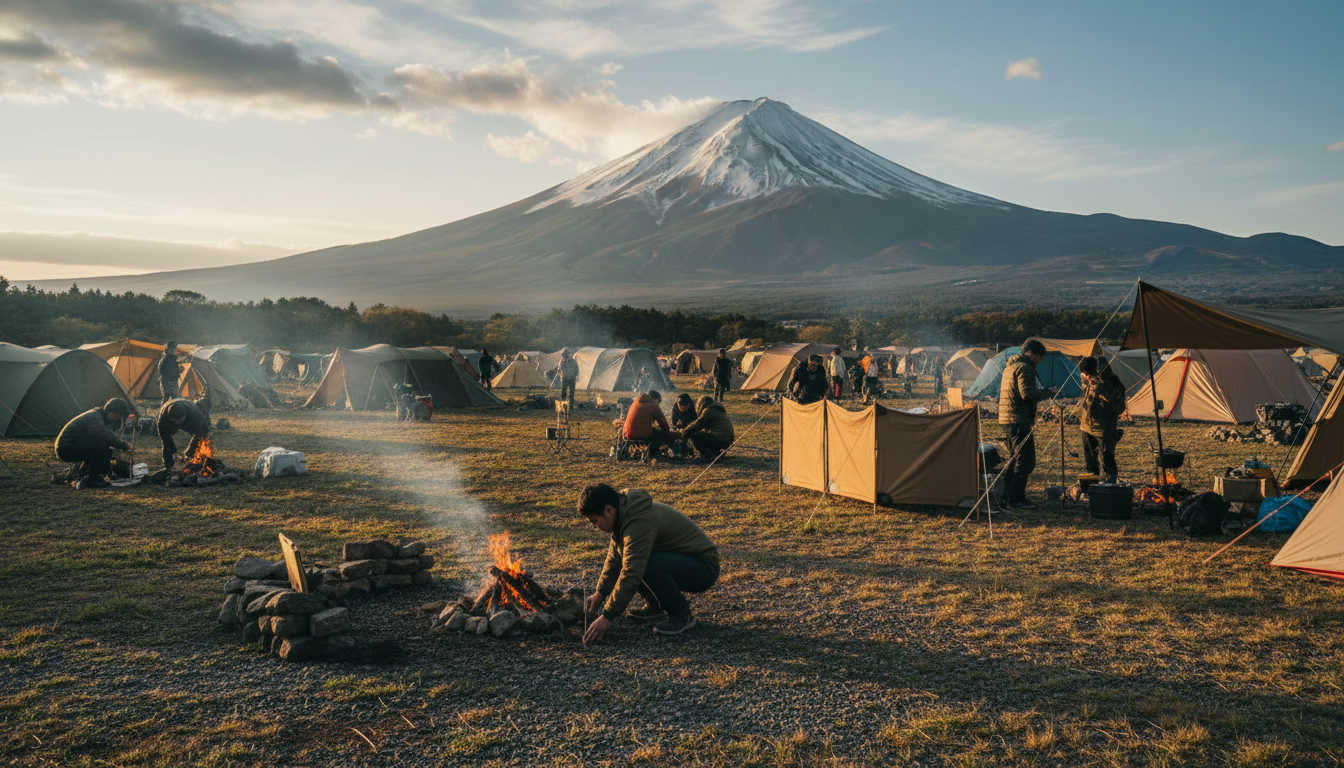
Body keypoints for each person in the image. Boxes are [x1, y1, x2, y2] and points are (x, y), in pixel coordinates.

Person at [578, 484, 720, 640]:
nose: (595, 527)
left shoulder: (638, 522)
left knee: (644, 564)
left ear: (608, 510)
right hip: (680, 560)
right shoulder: (623, 515)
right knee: (638, 559)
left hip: (704, 568)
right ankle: (654, 605)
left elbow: (631, 571)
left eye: (595, 521)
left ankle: (681, 615)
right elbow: (614, 559)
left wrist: (608, 616)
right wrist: (600, 592)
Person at [999, 339, 1060, 508]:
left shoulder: (1010, 367)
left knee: (1014, 459)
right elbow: (1027, 394)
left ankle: (1007, 495)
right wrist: (1048, 392)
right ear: (1031, 353)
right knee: (1025, 460)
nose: (1040, 360)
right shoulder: (1024, 368)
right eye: (1039, 356)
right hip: (1018, 419)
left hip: (1007, 418)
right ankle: (1017, 498)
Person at [55, 398, 134, 487]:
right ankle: (92, 477)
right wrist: (123, 445)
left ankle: (86, 473)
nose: (116, 419)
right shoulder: (95, 418)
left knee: (103, 447)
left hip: (72, 446)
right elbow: (103, 435)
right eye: (116, 416)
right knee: (100, 444)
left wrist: (123, 444)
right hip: (65, 449)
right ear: (110, 412)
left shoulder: (100, 417)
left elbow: (108, 433)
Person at [1078, 357, 1126, 484]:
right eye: (1085, 375)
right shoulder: (1087, 381)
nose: (1087, 377)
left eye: (1089, 375)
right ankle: (1091, 488)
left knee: (1107, 463)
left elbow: (1120, 407)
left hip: (1104, 429)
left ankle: (1109, 487)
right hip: (1086, 427)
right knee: (1090, 464)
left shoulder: (1113, 382)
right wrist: (1086, 383)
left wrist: (1101, 389)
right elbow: (1084, 401)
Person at [157, 398, 211, 470]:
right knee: (167, 444)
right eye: (177, 421)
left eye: (181, 420)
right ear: (172, 419)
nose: (180, 423)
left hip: (189, 419)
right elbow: (165, 439)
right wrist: (173, 452)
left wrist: (190, 451)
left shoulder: (195, 414)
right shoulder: (163, 419)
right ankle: (169, 466)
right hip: (169, 420)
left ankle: (192, 459)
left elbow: (202, 433)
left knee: (200, 437)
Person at [677, 395, 735, 460]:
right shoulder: (717, 409)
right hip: (727, 441)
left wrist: (684, 432)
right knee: (704, 435)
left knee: (695, 436)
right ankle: (715, 453)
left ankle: (706, 456)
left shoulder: (709, 410)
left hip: (720, 439)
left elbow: (697, 424)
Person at [623, 389, 672, 455]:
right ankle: (652, 453)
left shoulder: (636, 402)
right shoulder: (654, 404)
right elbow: (663, 424)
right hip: (641, 434)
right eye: (659, 402)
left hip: (627, 433)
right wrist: (667, 434)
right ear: (656, 400)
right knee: (660, 435)